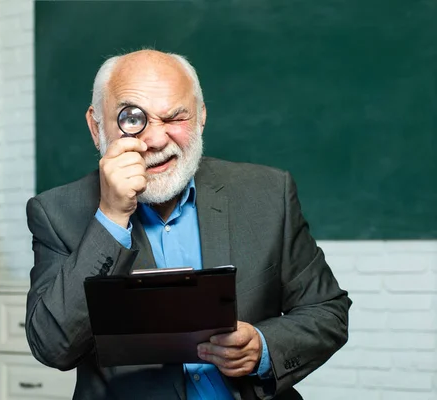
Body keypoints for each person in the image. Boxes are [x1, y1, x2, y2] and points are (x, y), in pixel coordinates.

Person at [24, 49, 352, 400]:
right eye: (133, 119)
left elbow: (327, 310)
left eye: (174, 118)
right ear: (96, 126)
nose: (155, 140)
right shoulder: (56, 212)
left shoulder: (268, 194)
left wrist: (263, 347)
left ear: (201, 117)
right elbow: (52, 346)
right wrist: (111, 217)